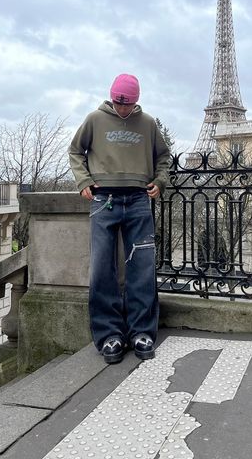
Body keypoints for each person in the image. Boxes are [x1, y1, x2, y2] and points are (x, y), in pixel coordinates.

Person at [69, 73, 170, 364]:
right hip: (104, 200)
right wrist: (83, 181)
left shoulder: (148, 123)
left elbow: (163, 157)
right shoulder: (94, 119)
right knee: (102, 269)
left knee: (142, 268)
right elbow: (76, 151)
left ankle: (142, 332)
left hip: (139, 200)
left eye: (128, 104)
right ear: (112, 98)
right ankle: (109, 335)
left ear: (136, 101)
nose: (123, 109)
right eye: (118, 103)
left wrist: (160, 182)